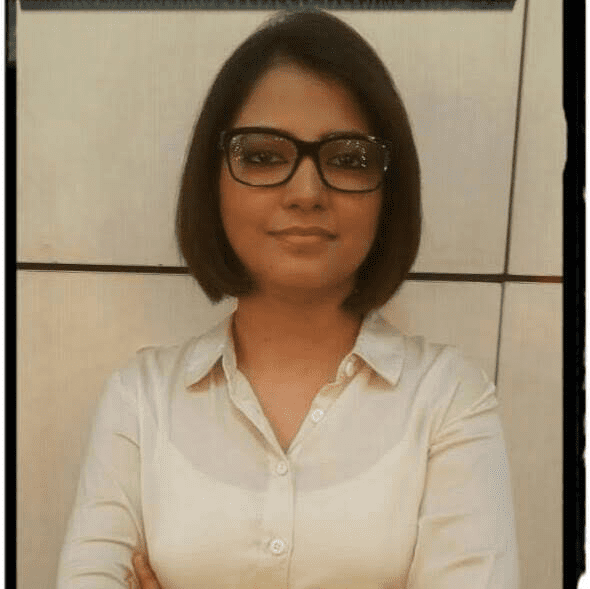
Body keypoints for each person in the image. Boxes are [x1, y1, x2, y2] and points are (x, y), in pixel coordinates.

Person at [57, 9, 518, 589]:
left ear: (389, 192)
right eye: (262, 156)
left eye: (348, 159)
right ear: (211, 179)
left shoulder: (451, 400)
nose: (306, 191)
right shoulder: (139, 401)